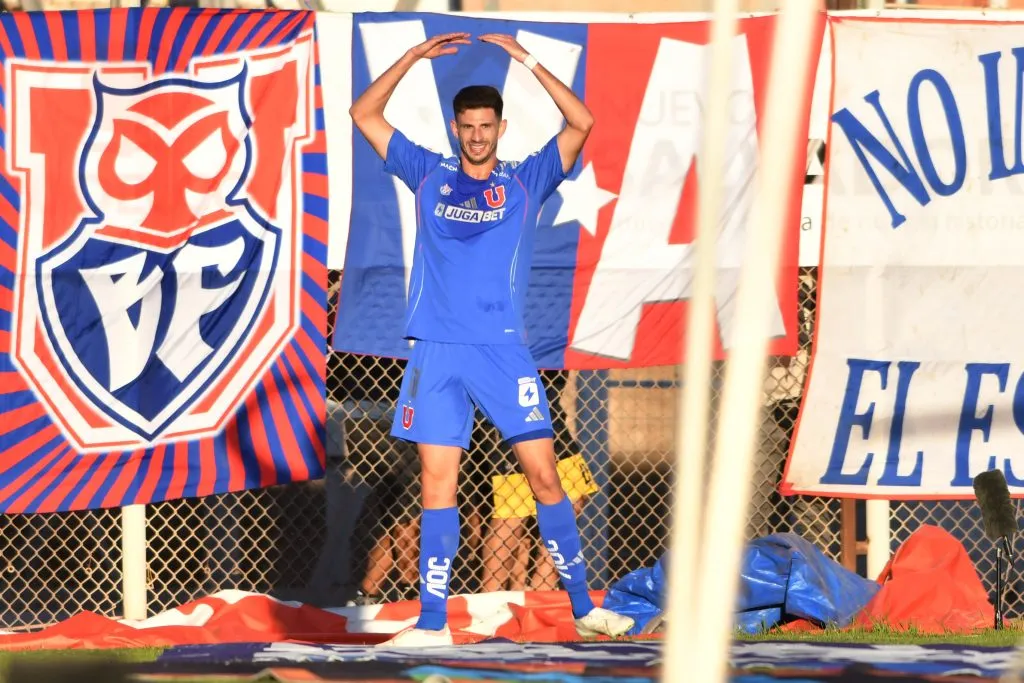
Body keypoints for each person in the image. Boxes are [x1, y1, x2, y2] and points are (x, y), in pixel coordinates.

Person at [348, 31, 634, 646]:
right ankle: (431, 623)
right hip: (437, 352)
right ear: (456, 129)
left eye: (487, 126)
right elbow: (363, 114)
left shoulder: (527, 179)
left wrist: (525, 59)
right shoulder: (427, 171)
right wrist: (412, 59)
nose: (477, 135)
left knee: (545, 478)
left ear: (501, 128)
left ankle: (584, 607)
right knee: (436, 485)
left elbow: (581, 121)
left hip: (503, 353)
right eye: (468, 126)